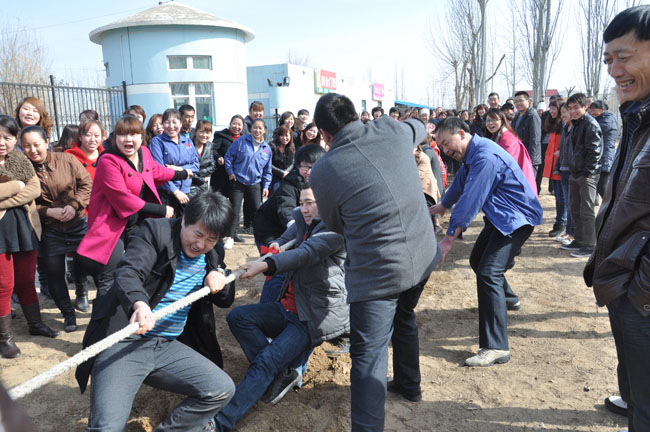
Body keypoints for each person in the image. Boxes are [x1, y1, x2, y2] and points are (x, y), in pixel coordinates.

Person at [310, 93, 440, 430]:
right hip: (424, 255)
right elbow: (420, 127)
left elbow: (336, 224)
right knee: (405, 315)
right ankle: (410, 385)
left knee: (368, 357)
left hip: (379, 274)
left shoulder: (324, 169)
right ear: (356, 115)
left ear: (324, 134)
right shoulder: (391, 129)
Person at [75, 191, 236, 431]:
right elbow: (129, 271)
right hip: (125, 342)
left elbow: (225, 299)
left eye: (211, 239)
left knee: (221, 389)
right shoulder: (155, 231)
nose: (201, 244)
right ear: (183, 220)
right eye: (197, 233)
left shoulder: (212, 253)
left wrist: (219, 276)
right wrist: (139, 304)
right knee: (106, 428)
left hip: (167, 345)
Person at [211, 184, 348, 431]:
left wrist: (264, 265)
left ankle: (219, 423)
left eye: (311, 203)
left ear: (326, 202)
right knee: (239, 317)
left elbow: (305, 253)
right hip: (286, 309)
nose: (305, 209)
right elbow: (286, 239)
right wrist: (275, 245)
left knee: (264, 362)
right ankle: (283, 372)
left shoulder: (334, 231)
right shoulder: (303, 223)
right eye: (302, 202)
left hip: (310, 318)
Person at [430, 117, 543, 367]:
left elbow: (472, 198)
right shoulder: (473, 153)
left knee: (489, 272)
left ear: (461, 134)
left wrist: (449, 239)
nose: (446, 150)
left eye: (447, 143)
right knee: (478, 260)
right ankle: (508, 299)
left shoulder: (485, 156)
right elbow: (461, 183)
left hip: (516, 219)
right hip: (501, 216)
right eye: (442, 146)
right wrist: (443, 204)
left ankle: (495, 346)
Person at [584, 7, 650, 430]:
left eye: (623, 57)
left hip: (640, 291)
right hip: (626, 282)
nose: (614, 70)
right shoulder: (638, 116)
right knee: (637, 394)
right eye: (608, 60)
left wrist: (639, 291)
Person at [75, 115, 189, 300]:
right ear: (114, 138)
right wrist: (161, 210)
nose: (128, 139)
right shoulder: (108, 160)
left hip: (138, 223)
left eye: (134, 134)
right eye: (122, 135)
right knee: (110, 277)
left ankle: (135, 310)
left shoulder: (144, 152)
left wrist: (182, 174)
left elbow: (155, 171)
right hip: (112, 226)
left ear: (141, 136)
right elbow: (123, 199)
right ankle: (104, 323)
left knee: (142, 268)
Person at [22, 125, 92, 332]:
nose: (33, 150)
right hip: (49, 228)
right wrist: (46, 212)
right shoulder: (23, 169)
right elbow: (25, 202)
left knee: (83, 264)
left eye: (37, 144)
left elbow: (86, 184)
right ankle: (67, 314)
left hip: (77, 222)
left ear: (47, 142)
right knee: (54, 273)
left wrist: (75, 205)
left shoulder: (67, 160)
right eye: (27, 146)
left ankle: (82, 293)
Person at [0, 116, 58, 359]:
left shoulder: (20, 159)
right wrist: (15, 187)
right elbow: (20, 188)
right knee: (4, 284)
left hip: (24, 225)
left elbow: (34, 189)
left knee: (25, 279)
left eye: (8, 137)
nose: (2, 142)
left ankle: (35, 323)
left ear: (15, 139)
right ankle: (5, 338)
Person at [253, 144, 326, 301]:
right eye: (305, 166)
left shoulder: (323, 183)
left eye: (314, 166)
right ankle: (267, 309)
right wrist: (296, 227)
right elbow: (285, 209)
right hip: (270, 231)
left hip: (296, 231)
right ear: (298, 166)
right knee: (277, 270)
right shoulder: (290, 183)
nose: (309, 172)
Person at [563, 93, 603, 258]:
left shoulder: (590, 124)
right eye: (570, 108)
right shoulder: (577, 124)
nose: (572, 111)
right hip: (576, 172)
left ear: (585, 107)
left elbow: (594, 151)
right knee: (575, 208)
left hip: (587, 174)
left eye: (576, 108)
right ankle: (579, 240)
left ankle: (590, 245)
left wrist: (587, 171)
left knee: (586, 210)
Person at [224, 118, 272, 244]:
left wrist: (266, 186)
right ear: (251, 129)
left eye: (260, 128)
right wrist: (230, 173)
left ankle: (260, 236)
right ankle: (231, 236)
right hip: (238, 180)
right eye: (255, 127)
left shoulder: (267, 148)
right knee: (235, 210)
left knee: (258, 209)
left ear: (264, 130)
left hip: (254, 182)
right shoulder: (241, 141)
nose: (257, 130)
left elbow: (267, 170)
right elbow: (228, 156)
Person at [149, 108, 200, 216]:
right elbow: (159, 171)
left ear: (181, 124)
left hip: (186, 192)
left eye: (174, 122)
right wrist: (175, 191)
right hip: (167, 193)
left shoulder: (187, 141)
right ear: (163, 124)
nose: (171, 126)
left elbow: (196, 165)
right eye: (167, 122)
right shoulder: (157, 142)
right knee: (168, 228)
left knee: (184, 228)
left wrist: (180, 169)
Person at [483, 108, 537, 194]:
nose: (490, 123)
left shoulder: (507, 137)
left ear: (502, 121)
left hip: (517, 183)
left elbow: (507, 164)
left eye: (494, 120)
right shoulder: (496, 137)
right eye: (488, 120)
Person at [211, 115, 244, 243]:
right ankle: (216, 231)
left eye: (239, 124)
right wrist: (219, 157)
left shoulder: (245, 138)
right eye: (234, 124)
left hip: (236, 177)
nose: (236, 127)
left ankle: (233, 232)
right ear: (230, 124)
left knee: (235, 207)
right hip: (221, 176)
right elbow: (213, 150)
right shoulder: (220, 135)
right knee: (218, 205)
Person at [542, 99, 566, 237]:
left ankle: (561, 223)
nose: (552, 111)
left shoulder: (564, 125)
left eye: (554, 108)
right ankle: (560, 222)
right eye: (550, 108)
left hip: (561, 165)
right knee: (558, 196)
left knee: (561, 197)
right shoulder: (551, 124)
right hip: (553, 166)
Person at [589, 100, 618, 199]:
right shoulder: (600, 118)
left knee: (603, 186)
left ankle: (611, 206)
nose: (592, 112)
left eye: (594, 110)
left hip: (605, 156)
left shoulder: (608, 119)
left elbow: (596, 130)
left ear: (602, 109)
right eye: (590, 110)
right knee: (600, 186)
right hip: (601, 156)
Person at [512, 91, 542, 179]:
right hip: (518, 156)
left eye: (521, 101)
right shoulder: (517, 116)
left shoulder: (532, 116)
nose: (518, 103)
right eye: (516, 101)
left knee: (528, 185)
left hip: (529, 158)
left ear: (528, 101)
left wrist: (530, 160)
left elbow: (535, 140)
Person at [188, 120, 215, 199]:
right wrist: (202, 179)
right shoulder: (188, 145)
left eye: (207, 133)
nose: (204, 135)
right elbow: (186, 167)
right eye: (201, 132)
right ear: (195, 132)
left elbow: (212, 166)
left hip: (204, 187)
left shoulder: (209, 146)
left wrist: (197, 173)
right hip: (190, 185)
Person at [269, 124, 295, 192]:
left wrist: (286, 172)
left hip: (288, 175)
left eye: (286, 135)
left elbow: (293, 161)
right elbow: (269, 164)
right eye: (282, 135)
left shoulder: (292, 146)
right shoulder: (272, 145)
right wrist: (281, 173)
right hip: (275, 177)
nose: (284, 138)